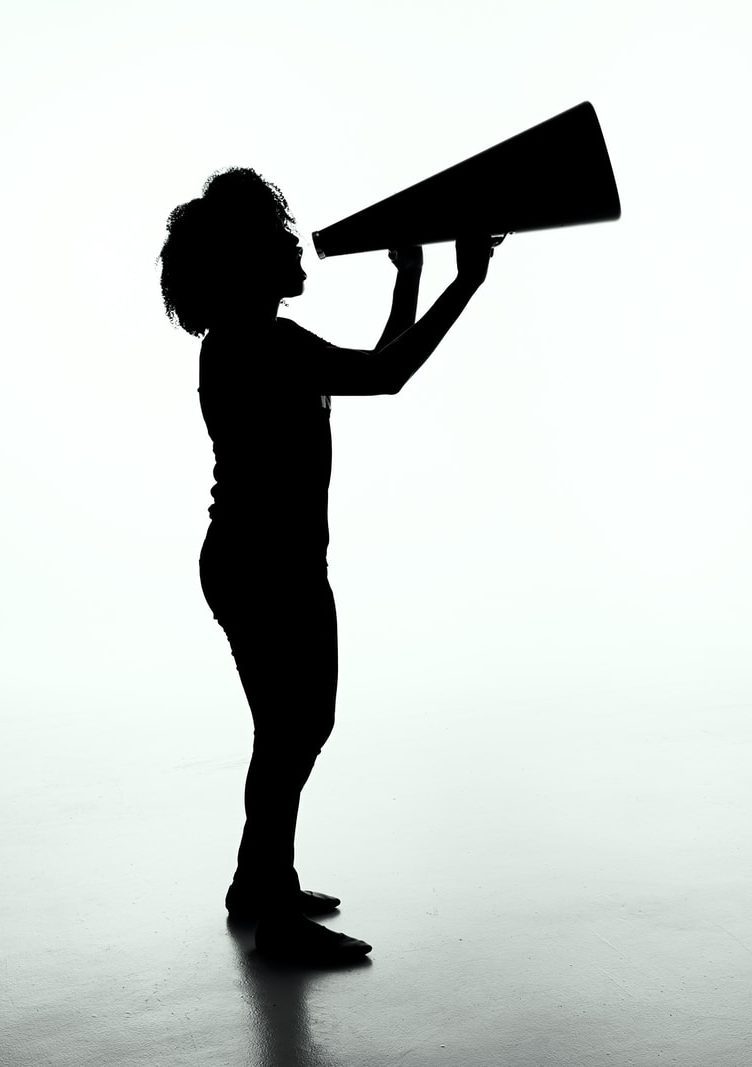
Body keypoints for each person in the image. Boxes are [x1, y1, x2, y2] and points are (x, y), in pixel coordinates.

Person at [158, 167, 494, 965]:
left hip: (256, 561)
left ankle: (257, 881)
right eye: (281, 240)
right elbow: (388, 374)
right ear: (248, 266)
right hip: (267, 566)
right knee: (292, 730)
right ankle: (272, 909)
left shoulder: (251, 343)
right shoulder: (263, 345)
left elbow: (376, 362)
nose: (298, 247)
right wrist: (466, 281)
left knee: (290, 729)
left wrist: (410, 276)